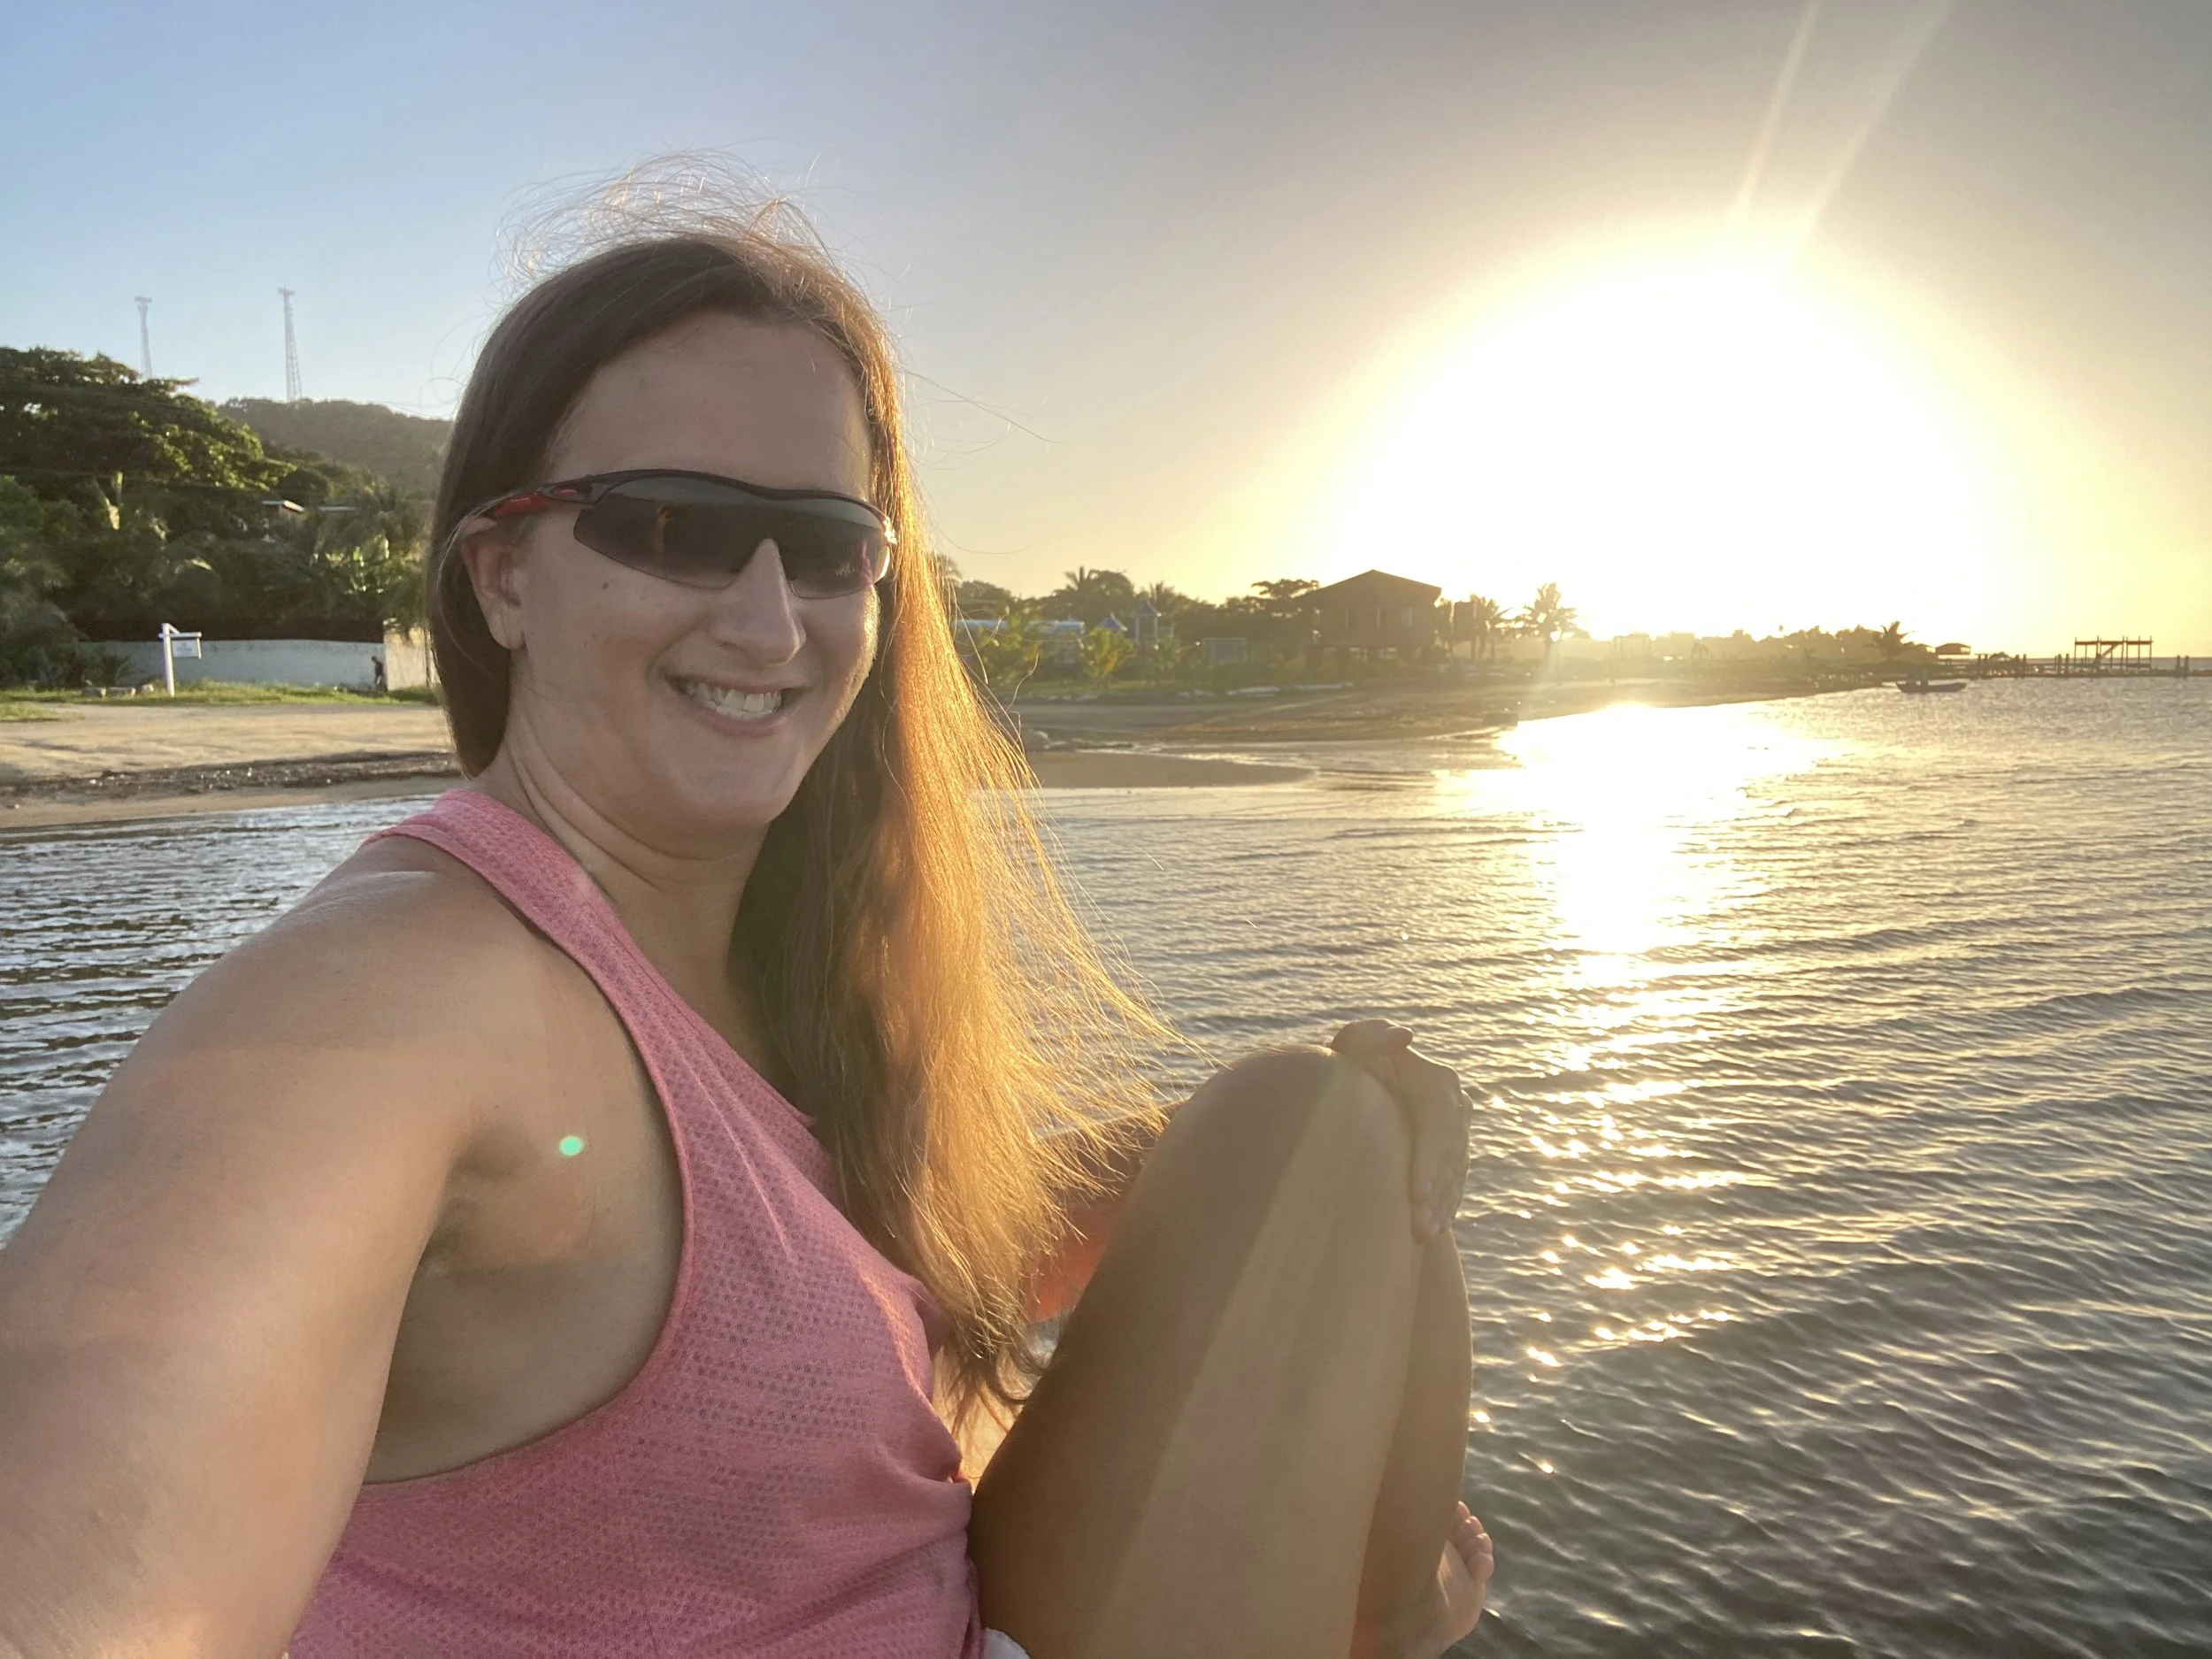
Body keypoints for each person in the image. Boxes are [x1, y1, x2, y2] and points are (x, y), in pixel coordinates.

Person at [0, 212, 1492, 1658]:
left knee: (1318, 1126)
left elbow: (822, 1248)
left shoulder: (746, 971)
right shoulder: (399, 998)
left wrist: (1217, 1174)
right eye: (677, 528)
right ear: (502, 575)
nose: (774, 622)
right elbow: (84, 1536)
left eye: (828, 546)